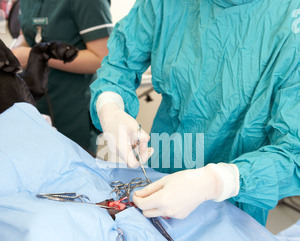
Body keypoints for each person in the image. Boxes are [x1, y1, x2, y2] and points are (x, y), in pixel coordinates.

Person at [90, 0, 300, 225]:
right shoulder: (166, 4)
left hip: (237, 200)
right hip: (162, 166)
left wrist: (214, 182)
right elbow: (119, 64)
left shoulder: (290, 20)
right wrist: (110, 107)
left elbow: (294, 154)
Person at [12, 0, 113, 153]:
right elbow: (26, 35)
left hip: (73, 110)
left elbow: (102, 58)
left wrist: (37, 55)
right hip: (35, 108)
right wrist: (14, 51)